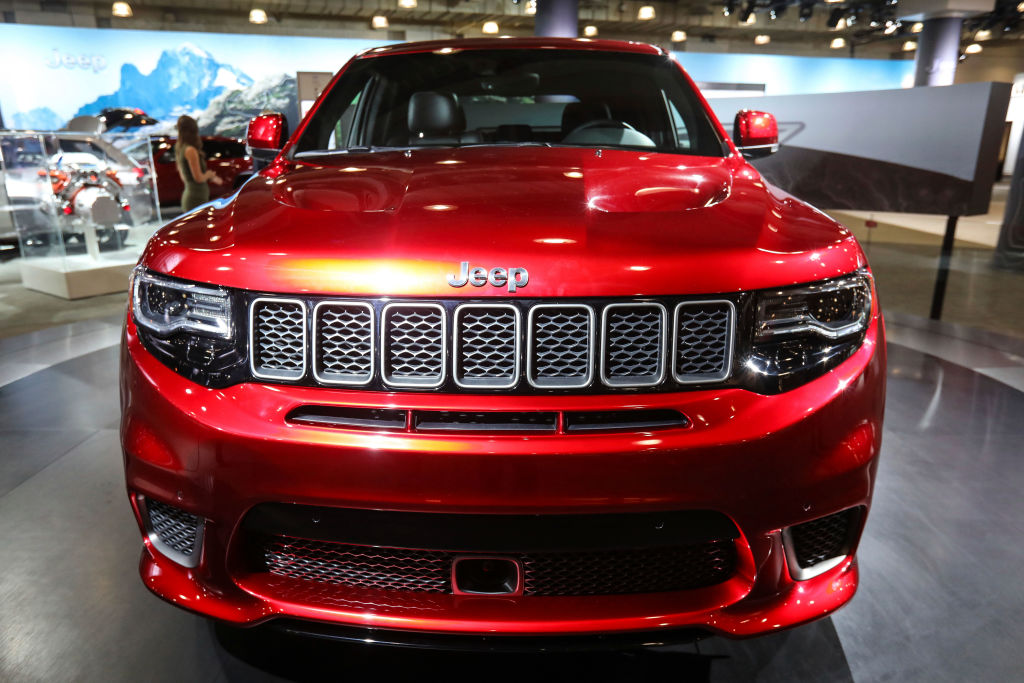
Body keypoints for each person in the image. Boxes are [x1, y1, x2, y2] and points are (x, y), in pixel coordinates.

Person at [174, 115, 222, 212]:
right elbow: (198, 178)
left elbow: (184, 177)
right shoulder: (190, 150)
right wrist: (209, 174)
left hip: (193, 196)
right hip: (196, 198)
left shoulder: (181, 148)